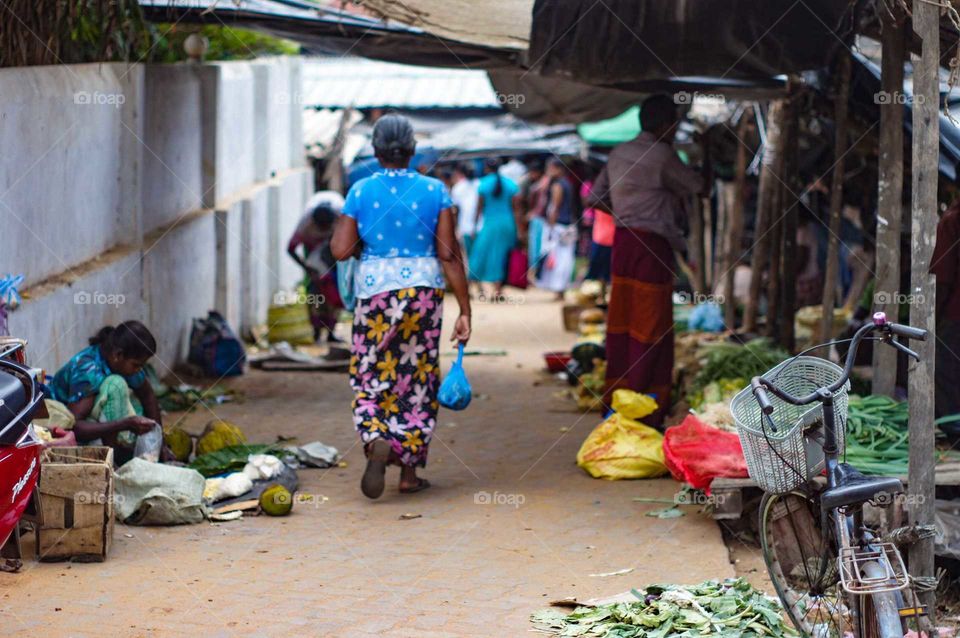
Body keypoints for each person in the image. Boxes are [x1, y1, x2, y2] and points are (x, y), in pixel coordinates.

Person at [331, 113, 471, 499]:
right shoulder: (435, 190)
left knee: (371, 372)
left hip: (375, 293)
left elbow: (340, 249)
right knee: (417, 378)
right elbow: (448, 253)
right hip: (423, 293)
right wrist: (465, 310)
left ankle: (376, 436)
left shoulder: (360, 191)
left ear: (375, 151)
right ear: (412, 150)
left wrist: (364, 239)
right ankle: (408, 473)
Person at [589, 94, 707, 427]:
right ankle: (643, 403)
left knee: (622, 321)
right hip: (652, 246)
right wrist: (706, 154)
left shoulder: (618, 152)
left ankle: (619, 399)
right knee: (650, 324)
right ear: (665, 124)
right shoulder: (663, 156)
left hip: (623, 242)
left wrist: (627, 212)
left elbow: (595, 198)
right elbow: (699, 187)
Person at [50, 321, 168, 463]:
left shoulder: (125, 363)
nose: (139, 370)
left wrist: (160, 445)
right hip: (57, 429)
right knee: (116, 385)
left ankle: (116, 452)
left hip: (91, 423)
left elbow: (147, 396)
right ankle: (110, 459)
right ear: (118, 355)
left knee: (138, 409)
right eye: (136, 365)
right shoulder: (88, 370)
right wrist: (125, 424)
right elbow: (74, 428)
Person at [287, 191, 346, 343]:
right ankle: (316, 330)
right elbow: (290, 249)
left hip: (333, 248)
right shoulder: (305, 225)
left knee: (335, 291)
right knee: (315, 291)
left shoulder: (343, 216)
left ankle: (331, 331)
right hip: (312, 249)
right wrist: (308, 269)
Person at [468, 158, 521, 300]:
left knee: (480, 254)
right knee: (502, 256)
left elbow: (479, 208)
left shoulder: (483, 184)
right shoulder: (510, 184)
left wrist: (473, 226)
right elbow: (517, 209)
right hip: (507, 223)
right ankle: (498, 291)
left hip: (490, 224)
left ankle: (474, 284)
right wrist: (520, 230)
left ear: (486, 168)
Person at [932, 200, 960, 440]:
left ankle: (955, 430)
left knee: (946, 369)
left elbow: (942, 277)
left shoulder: (952, 220)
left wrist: (933, 317)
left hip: (954, 313)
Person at [536, 159, 578, 299]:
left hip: (559, 226)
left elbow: (555, 207)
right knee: (565, 258)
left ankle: (558, 289)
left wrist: (550, 226)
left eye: (550, 168)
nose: (548, 172)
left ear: (558, 169)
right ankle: (561, 290)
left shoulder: (558, 185)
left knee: (559, 259)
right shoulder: (568, 184)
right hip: (568, 225)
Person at [450, 163, 480, 259]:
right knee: (473, 254)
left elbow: (455, 210)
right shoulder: (459, 187)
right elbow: (455, 209)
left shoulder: (480, 185)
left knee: (473, 254)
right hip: (469, 225)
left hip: (476, 225)